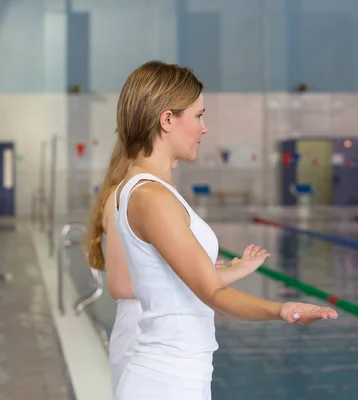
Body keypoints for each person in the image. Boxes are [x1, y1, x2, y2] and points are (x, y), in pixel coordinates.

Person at [111, 60, 338, 399]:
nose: (205, 128)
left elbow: (176, 286)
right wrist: (283, 309)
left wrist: (231, 271)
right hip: (165, 382)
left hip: (178, 375)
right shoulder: (150, 196)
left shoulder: (152, 189)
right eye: (199, 115)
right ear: (168, 119)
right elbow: (210, 294)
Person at [86, 140, 274, 398]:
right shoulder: (134, 199)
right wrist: (196, 277)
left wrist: (209, 272)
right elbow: (120, 285)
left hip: (163, 333)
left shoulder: (151, 196)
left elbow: (166, 275)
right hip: (143, 330)